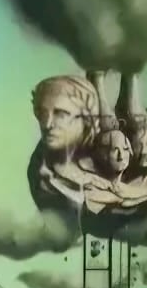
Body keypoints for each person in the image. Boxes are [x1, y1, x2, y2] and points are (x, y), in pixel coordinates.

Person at [26, 74, 101, 214]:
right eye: (42, 113)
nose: (47, 124)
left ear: (86, 118)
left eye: (60, 114)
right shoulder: (40, 172)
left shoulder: (113, 159)